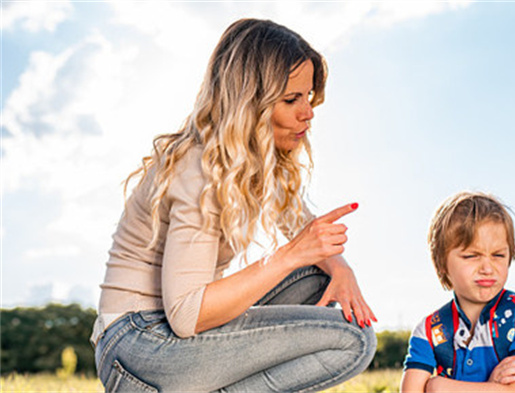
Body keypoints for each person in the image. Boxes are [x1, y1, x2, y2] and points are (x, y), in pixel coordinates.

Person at [91, 18, 377, 393]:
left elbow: (302, 230)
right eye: (291, 99)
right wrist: (290, 254)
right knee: (353, 341)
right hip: (137, 347)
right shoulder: (199, 167)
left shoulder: (249, 163)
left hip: (163, 340)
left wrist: (342, 269)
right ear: (250, 104)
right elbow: (186, 315)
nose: (307, 112)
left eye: (309, 97)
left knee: (319, 279)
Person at [400, 191, 515, 393]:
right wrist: (492, 386)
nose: (488, 268)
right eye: (471, 256)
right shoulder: (429, 331)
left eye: (498, 255)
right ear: (442, 263)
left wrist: (439, 386)